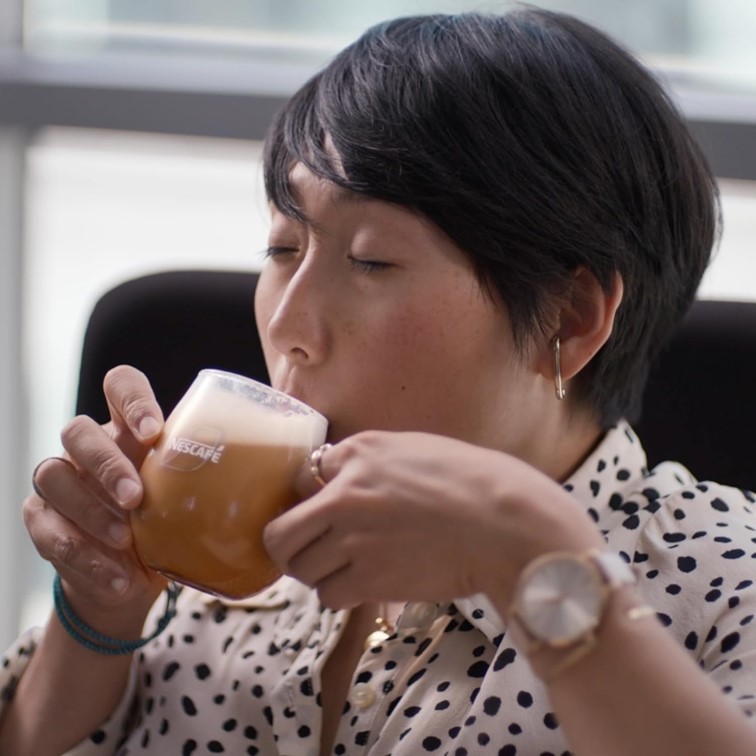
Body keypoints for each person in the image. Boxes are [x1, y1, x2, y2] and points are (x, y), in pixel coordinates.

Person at [1, 7, 755, 755]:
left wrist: (535, 563)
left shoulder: (726, 591)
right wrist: (100, 610)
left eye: (372, 261)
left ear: (570, 317)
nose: (288, 324)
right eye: (283, 248)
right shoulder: (220, 566)